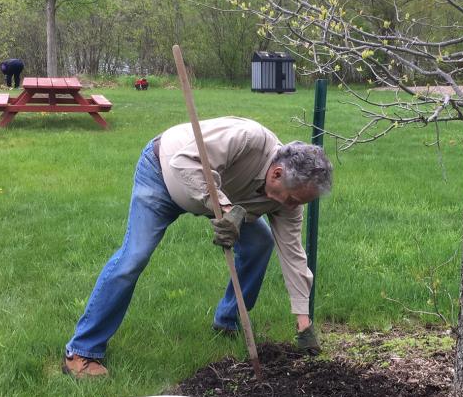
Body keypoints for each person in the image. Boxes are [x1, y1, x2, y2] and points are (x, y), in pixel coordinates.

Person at [62, 117, 333, 379]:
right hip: (163, 173)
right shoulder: (248, 138)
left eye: (300, 203)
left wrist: (303, 321)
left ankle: (227, 321)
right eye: (293, 199)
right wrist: (226, 210)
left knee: (260, 243)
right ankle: (82, 351)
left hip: (218, 200)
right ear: (277, 173)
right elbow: (184, 162)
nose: (293, 206)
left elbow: (293, 256)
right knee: (134, 257)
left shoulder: (287, 202)